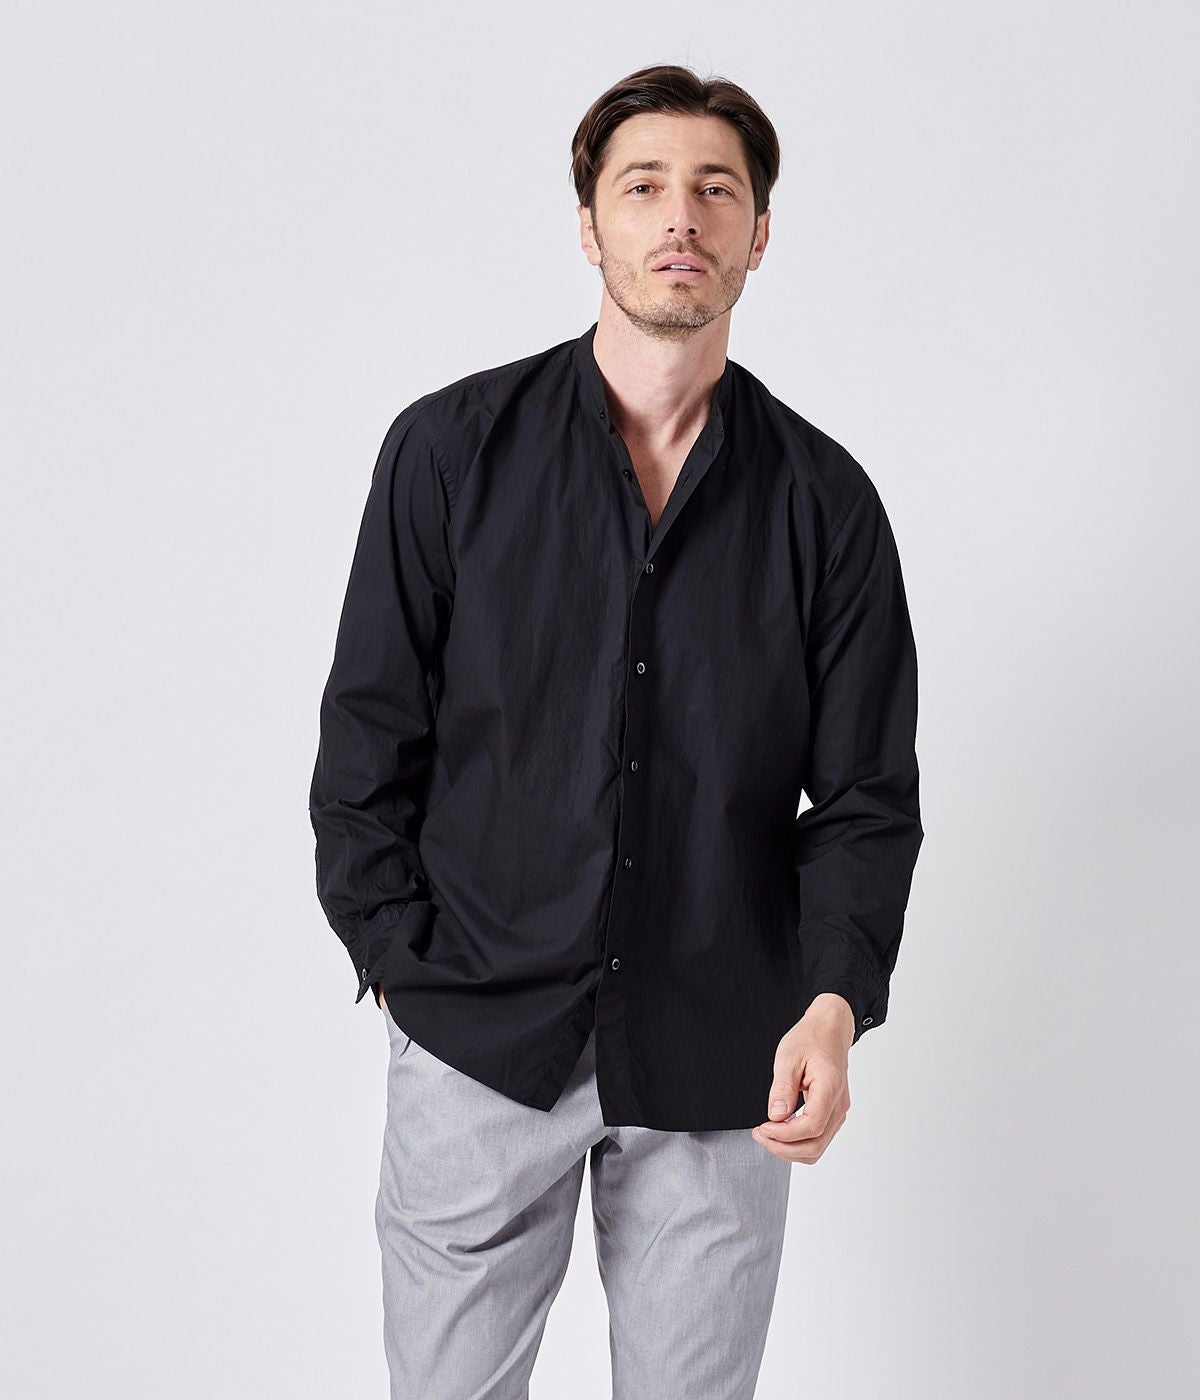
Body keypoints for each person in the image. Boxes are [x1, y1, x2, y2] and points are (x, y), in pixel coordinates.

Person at [308, 61, 924, 1400]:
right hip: (478, 1041)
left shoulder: (828, 507)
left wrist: (833, 1004)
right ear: (589, 225)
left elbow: (866, 799)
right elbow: (368, 733)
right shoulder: (448, 452)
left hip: (721, 1053)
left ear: (761, 233)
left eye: (717, 190)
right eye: (643, 186)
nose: (680, 217)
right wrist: (399, 963)